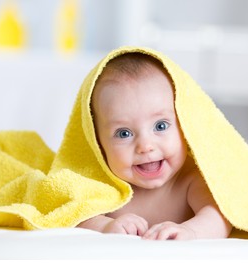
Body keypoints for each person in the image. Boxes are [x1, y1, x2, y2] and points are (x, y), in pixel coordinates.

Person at [77, 53, 232, 240]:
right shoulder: (100, 186)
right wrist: (105, 226)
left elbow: (219, 216)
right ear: (96, 141)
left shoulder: (190, 181)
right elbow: (73, 216)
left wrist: (191, 231)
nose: (145, 146)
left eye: (160, 126)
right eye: (124, 133)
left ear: (184, 123)